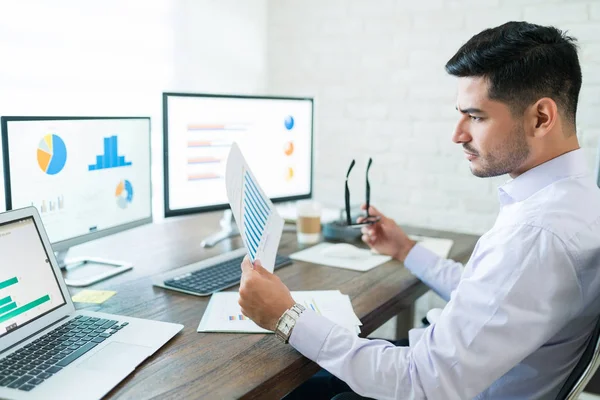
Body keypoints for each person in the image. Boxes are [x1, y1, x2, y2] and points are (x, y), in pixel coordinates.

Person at [238, 21, 600, 399]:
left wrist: (287, 317)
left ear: (542, 117)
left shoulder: (536, 233)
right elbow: (494, 297)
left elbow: (420, 382)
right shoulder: (576, 201)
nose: (457, 133)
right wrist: (406, 250)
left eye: (476, 116)